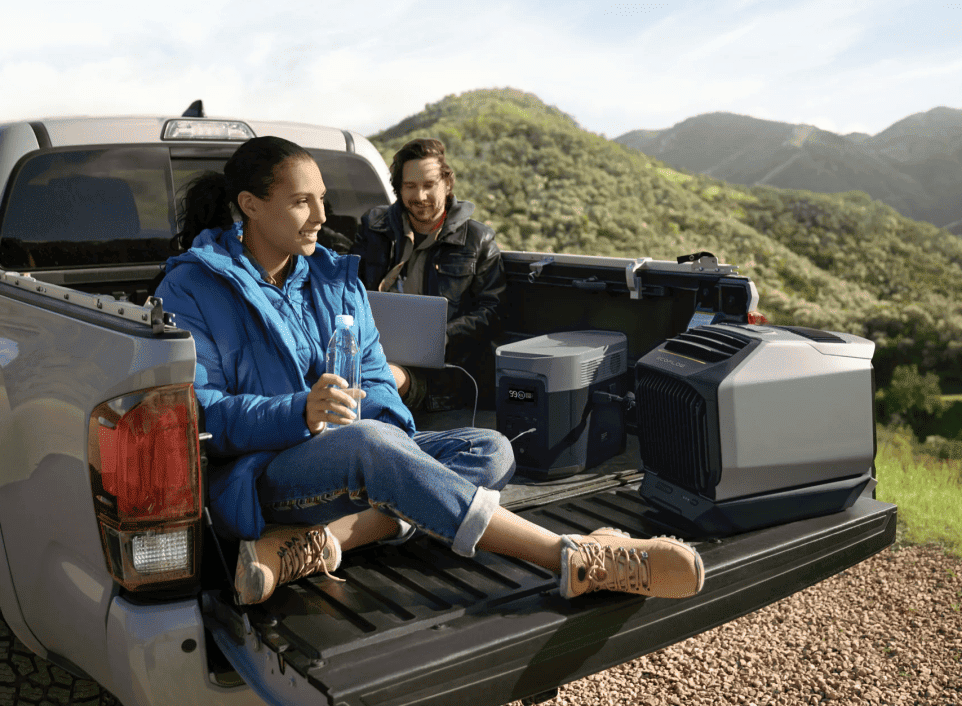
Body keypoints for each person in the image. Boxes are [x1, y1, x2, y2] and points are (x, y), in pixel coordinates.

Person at [155, 136, 704, 605]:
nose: (322, 217)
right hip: (263, 474)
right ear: (250, 205)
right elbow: (201, 412)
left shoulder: (335, 276)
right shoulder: (193, 288)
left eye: (321, 199)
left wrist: (379, 431)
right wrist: (300, 412)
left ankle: (327, 542)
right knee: (373, 442)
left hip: (355, 455)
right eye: (302, 202)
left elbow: (375, 380)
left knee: (491, 449)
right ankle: (570, 557)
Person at [351, 138, 504, 411]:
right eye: (410, 186)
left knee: (375, 382)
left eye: (429, 185)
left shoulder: (478, 239)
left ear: (447, 183)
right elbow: (349, 288)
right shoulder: (374, 227)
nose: (420, 196)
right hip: (372, 351)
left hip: (441, 373)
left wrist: (439, 335)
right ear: (398, 188)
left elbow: (493, 312)